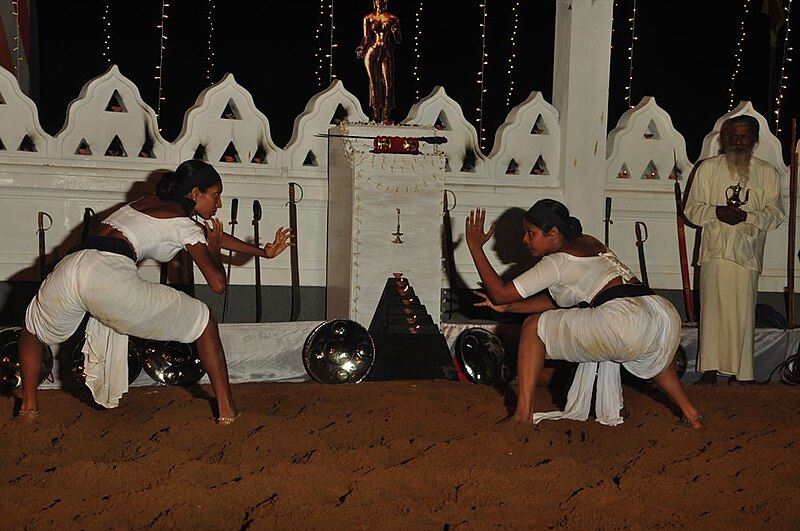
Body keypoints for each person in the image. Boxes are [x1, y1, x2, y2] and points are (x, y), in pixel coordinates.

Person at [17, 160, 292, 424]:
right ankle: (228, 411)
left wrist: (263, 252)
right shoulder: (184, 225)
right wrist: (214, 253)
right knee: (205, 320)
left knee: (33, 329)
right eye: (216, 195)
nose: (219, 204)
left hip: (71, 266)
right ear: (195, 193)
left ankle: (29, 408)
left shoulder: (146, 203)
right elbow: (218, 283)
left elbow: (204, 233)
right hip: (107, 277)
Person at [465, 199, 703, 429]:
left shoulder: (556, 262)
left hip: (621, 319)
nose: (524, 239)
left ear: (553, 233)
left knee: (532, 327)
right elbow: (557, 301)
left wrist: (476, 249)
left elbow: (500, 293)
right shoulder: (590, 243)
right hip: (660, 314)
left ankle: (522, 415)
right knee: (647, 350)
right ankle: (691, 413)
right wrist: (509, 308)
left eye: (530, 232)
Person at [684, 115, 785, 385]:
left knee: (742, 313)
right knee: (712, 311)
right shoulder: (707, 169)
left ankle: (742, 373)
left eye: (744, 136)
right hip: (715, 251)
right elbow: (691, 210)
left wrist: (747, 217)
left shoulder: (766, 172)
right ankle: (709, 370)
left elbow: (776, 214)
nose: (739, 141)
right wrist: (716, 211)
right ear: (725, 139)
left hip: (746, 252)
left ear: (754, 140)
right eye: (734, 136)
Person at [355, 0, 402, 124]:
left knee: (388, 83)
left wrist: (395, 31)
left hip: (386, 50)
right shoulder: (369, 17)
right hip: (373, 49)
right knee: (373, 83)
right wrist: (361, 47)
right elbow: (366, 37)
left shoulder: (392, 18)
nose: (379, 2)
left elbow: (398, 39)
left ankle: (386, 114)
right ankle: (376, 113)